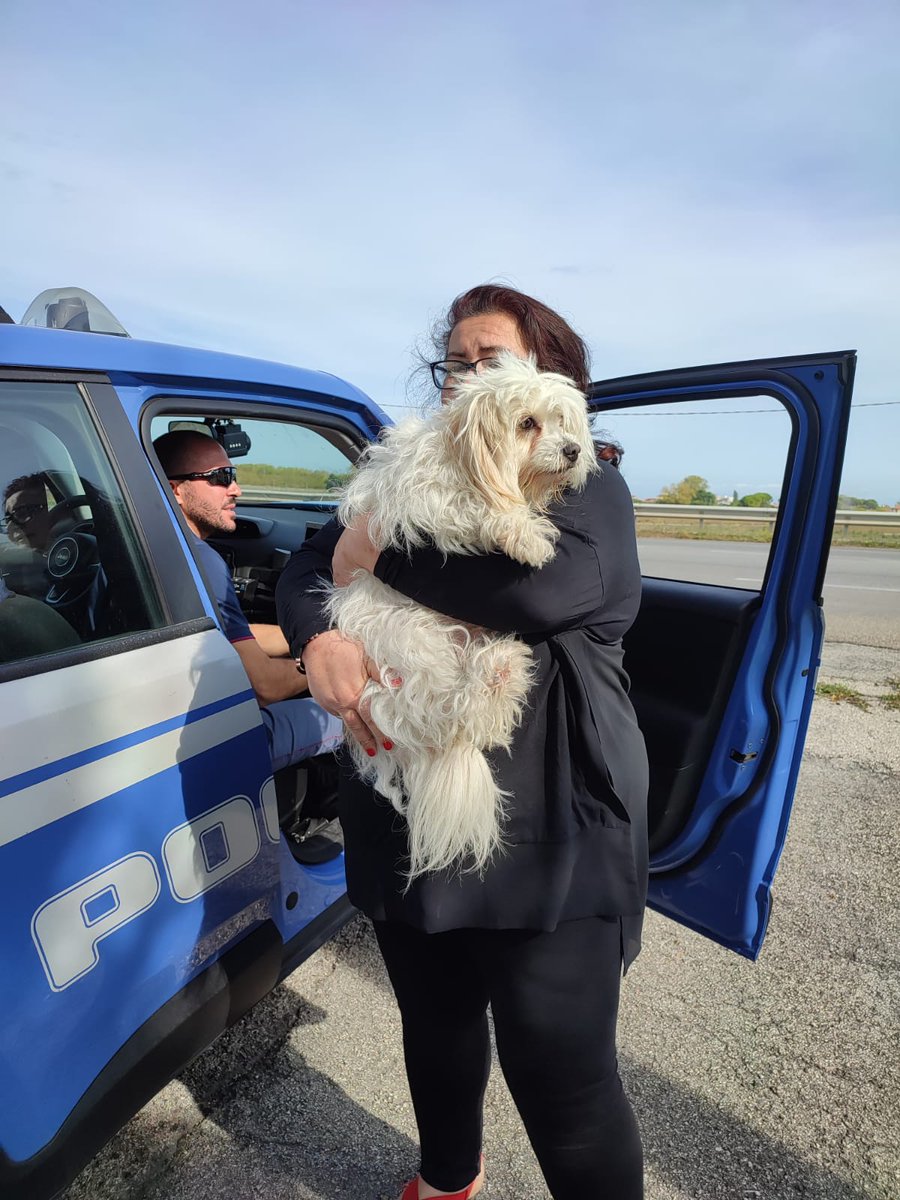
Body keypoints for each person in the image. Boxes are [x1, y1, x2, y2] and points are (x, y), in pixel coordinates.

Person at [275, 285, 648, 1200]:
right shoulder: (403, 473)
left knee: (563, 1077)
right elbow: (301, 565)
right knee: (434, 1028)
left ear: (547, 376)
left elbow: (537, 596)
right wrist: (318, 636)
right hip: (406, 804)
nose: (468, 374)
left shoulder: (589, 482)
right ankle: (447, 1180)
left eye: (494, 358)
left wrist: (375, 557)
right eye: (457, 361)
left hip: (549, 826)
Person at [152, 431, 343, 772]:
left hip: (169, 723)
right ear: (176, 490)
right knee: (356, 715)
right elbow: (266, 685)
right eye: (220, 479)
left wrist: (309, 637)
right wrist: (326, 660)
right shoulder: (201, 561)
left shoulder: (156, 547)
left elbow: (231, 633)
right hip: (219, 740)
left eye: (234, 476)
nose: (236, 490)